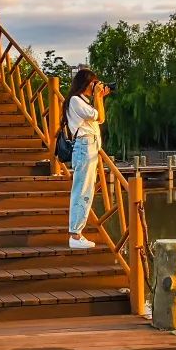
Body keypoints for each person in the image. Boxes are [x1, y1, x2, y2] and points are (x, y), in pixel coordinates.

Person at [62, 68, 111, 249]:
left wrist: (99, 98)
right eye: (93, 83)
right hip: (84, 147)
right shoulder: (75, 100)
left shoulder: (82, 102)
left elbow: (100, 119)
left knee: (86, 191)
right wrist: (99, 97)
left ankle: (77, 233)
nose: (95, 86)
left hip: (89, 148)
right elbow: (99, 117)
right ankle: (75, 235)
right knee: (82, 190)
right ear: (85, 83)